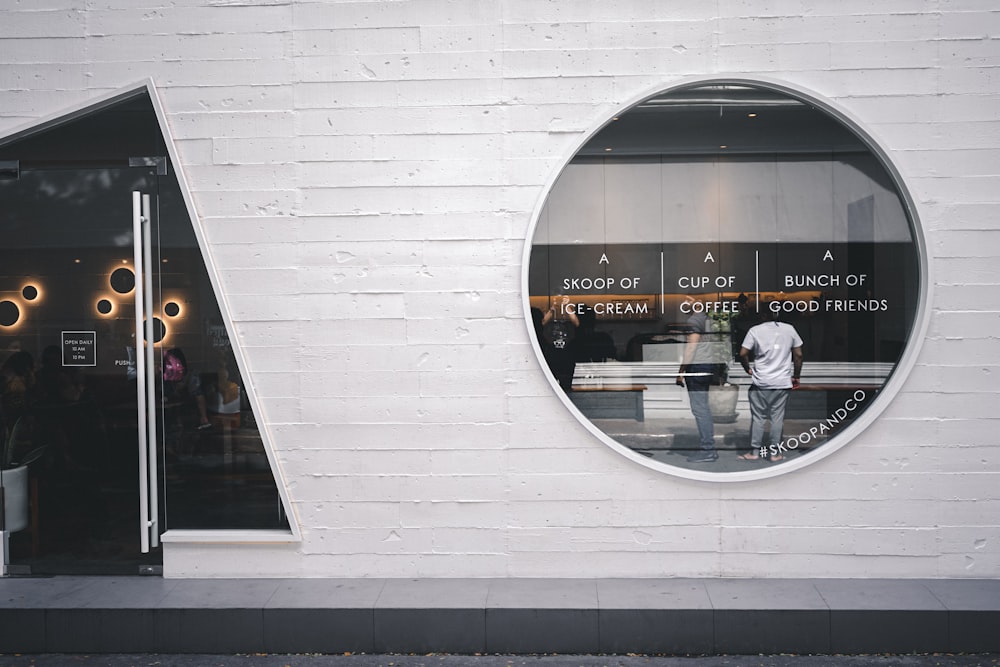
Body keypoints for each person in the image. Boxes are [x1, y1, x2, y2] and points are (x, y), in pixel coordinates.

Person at [737, 307, 804, 462]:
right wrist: (796, 376)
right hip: (781, 382)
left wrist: (748, 368)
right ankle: (775, 453)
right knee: (777, 418)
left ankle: (754, 452)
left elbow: (742, 353)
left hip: (761, 381)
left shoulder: (754, 330)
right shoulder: (789, 329)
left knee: (758, 417)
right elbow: (799, 355)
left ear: (762, 315)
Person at [675, 300, 727, 463]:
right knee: (703, 408)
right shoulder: (707, 319)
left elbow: (691, 348)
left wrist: (681, 371)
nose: (684, 304)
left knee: (700, 409)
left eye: (688, 301)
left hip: (697, 367)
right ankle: (708, 448)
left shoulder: (694, 320)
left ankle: (708, 450)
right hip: (707, 366)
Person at [541, 295, 580, 392]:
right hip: (552, 353)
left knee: (566, 385)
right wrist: (553, 308)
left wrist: (567, 306)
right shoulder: (549, 314)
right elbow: (543, 322)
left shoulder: (569, 318)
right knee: (549, 387)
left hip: (567, 354)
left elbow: (576, 323)